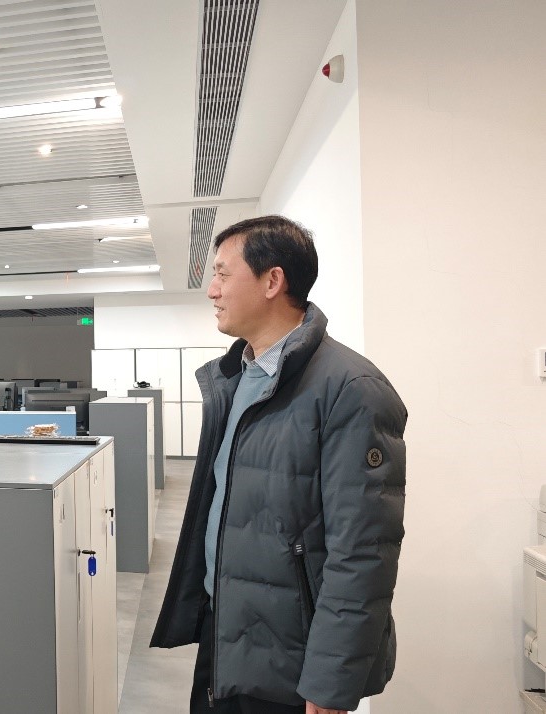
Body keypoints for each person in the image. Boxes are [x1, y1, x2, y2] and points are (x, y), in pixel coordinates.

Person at [149, 215, 407, 714]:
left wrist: (331, 681)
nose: (212, 290)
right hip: (228, 632)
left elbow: (363, 553)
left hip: (292, 659)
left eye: (223, 274)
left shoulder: (351, 390)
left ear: (272, 281)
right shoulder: (237, 377)